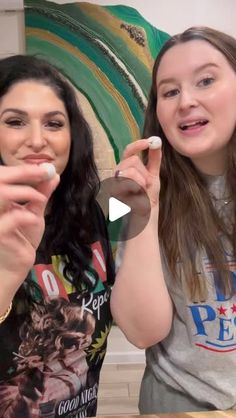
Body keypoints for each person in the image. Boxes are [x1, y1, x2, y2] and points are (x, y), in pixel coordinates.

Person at [110, 26, 236, 413]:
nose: (186, 101)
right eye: (169, 91)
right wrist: (145, 212)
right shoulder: (128, 193)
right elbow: (142, 331)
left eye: (206, 80)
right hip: (179, 401)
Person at [0, 54, 115, 418]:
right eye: (15, 121)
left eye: (54, 123)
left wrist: (146, 197)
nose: (37, 140)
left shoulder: (91, 214)